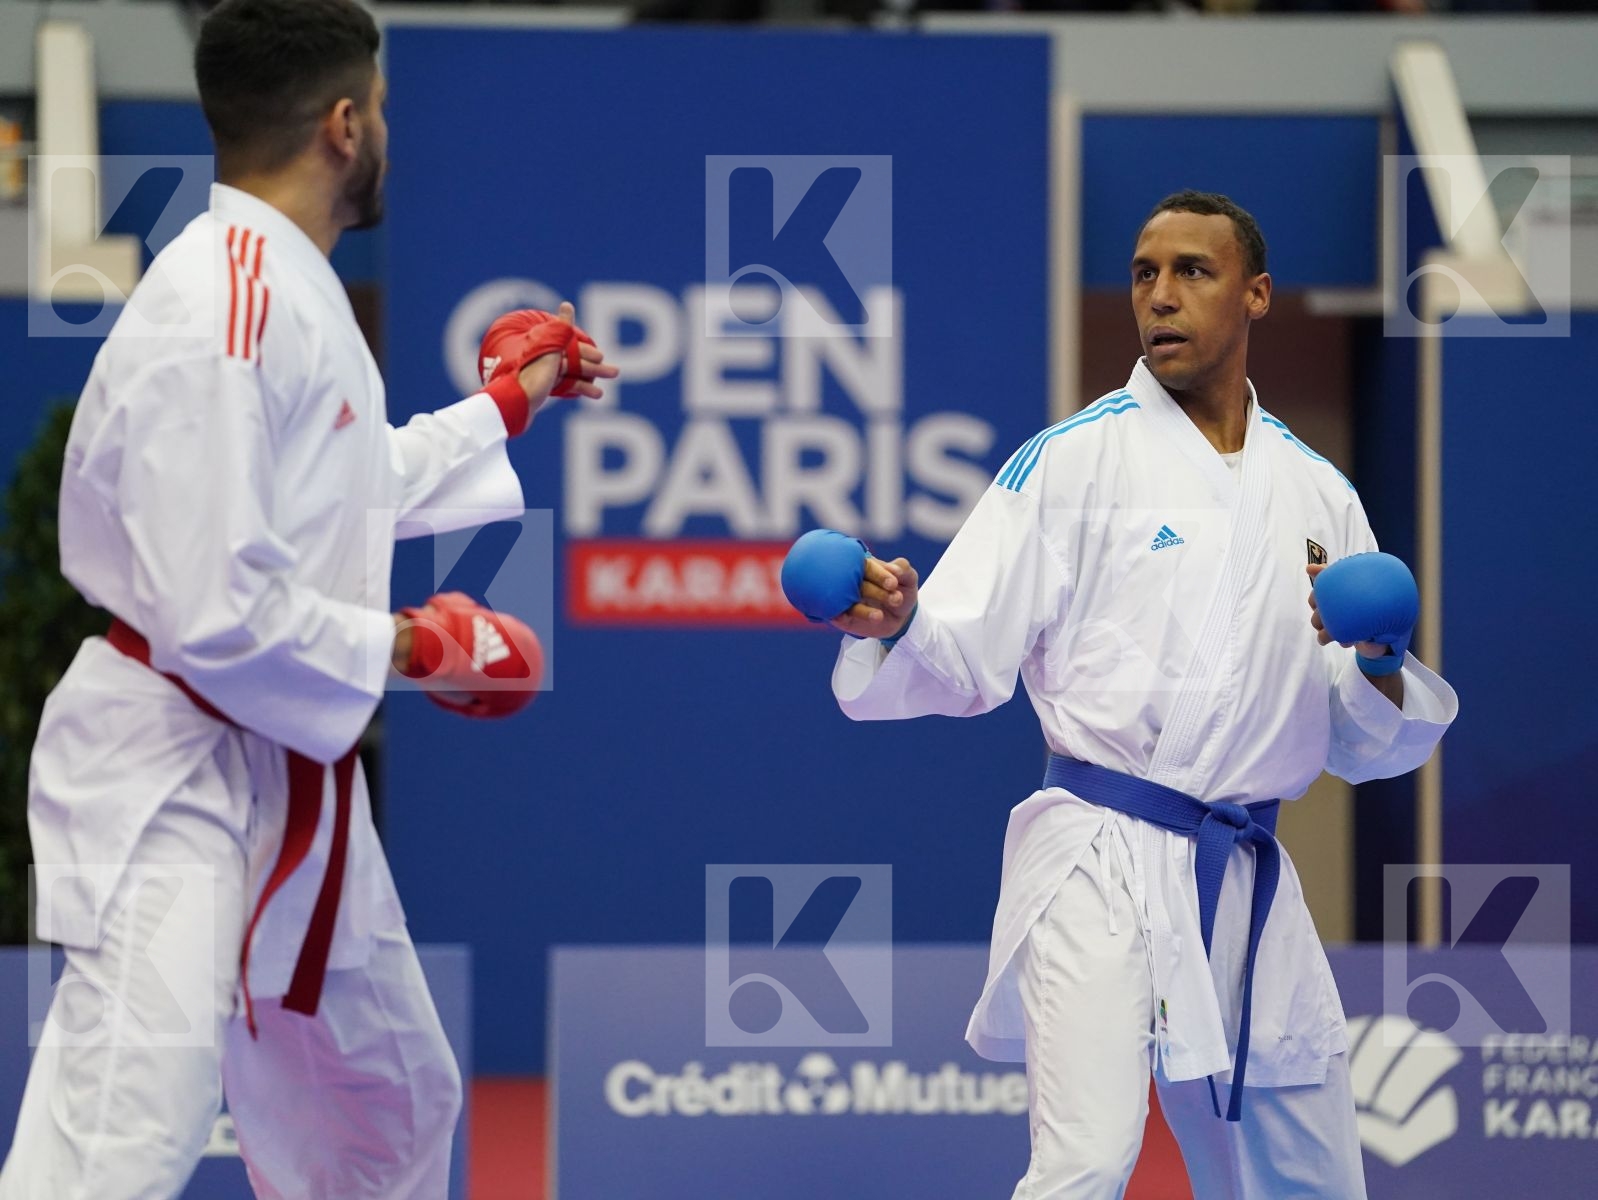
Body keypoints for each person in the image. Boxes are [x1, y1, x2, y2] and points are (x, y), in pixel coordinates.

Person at [0, 1, 617, 1196]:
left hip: (282, 768)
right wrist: (414, 640)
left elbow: (337, 492)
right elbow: (212, 606)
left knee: (386, 1105)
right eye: (379, 111)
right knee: (122, 1132)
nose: (387, 132)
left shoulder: (287, 288)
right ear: (343, 125)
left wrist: (502, 408)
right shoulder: (224, 308)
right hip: (171, 774)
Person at [823, 191, 1458, 1198]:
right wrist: (897, 623)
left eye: (1190, 273)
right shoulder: (1073, 460)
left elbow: (1355, 737)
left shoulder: (1318, 493)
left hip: (1242, 870)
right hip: (1096, 856)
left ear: (1253, 295)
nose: (1158, 296)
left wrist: (1377, 658)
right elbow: (961, 649)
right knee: (1083, 1158)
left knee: (1305, 1175)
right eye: (1141, 273)